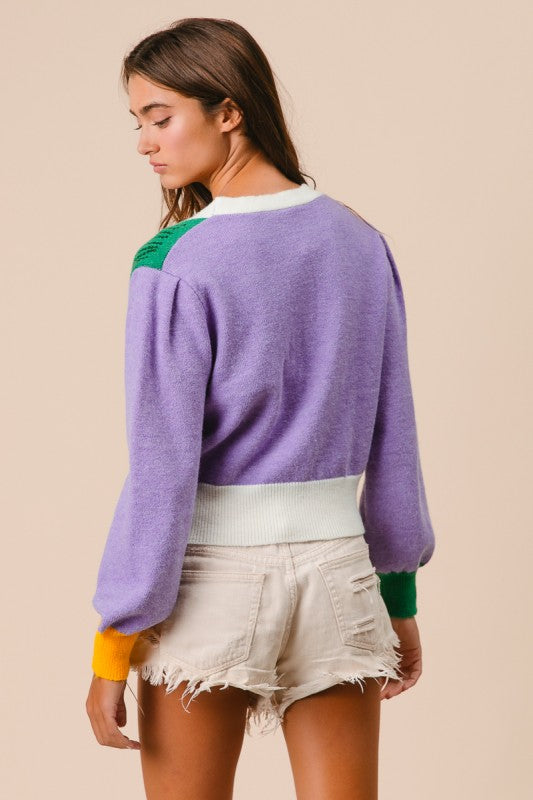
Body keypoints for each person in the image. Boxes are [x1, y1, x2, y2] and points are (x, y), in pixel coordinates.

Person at [85, 16, 436, 799]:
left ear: (229, 110)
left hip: (212, 583)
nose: (144, 143)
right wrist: (397, 595)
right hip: (339, 576)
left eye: (159, 117)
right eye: (137, 122)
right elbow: (395, 433)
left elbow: (161, 470)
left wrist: (114, 644)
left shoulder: (174, 261)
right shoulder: (360, 241)